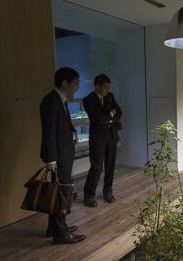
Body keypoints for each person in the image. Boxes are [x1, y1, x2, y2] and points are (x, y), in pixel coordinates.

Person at [40, 67, 86, 244]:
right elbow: (49, 132)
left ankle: (55, 227)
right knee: (61, 193)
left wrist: (72, 132)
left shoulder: (61, 100)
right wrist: (50, 159)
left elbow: (64, 124)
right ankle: (61, 233)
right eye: (75, 83)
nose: (77, 87)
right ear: (65, 83)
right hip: (58, 157)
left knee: (57, 192)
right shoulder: (52, 101)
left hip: (63, 154)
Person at [83, 74, 122, 207]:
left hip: (111, 135)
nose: (107, 90)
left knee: (110, 165)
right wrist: (110, 115)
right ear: (97, 86)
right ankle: (89, 195)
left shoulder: (110, 96)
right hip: (97, 138)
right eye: (105, 87)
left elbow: (119, 112)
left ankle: (108, 192)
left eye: (108, 87)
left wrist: (109, 118)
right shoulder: (88, 100)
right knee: (96, 166)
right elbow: (97, 119)